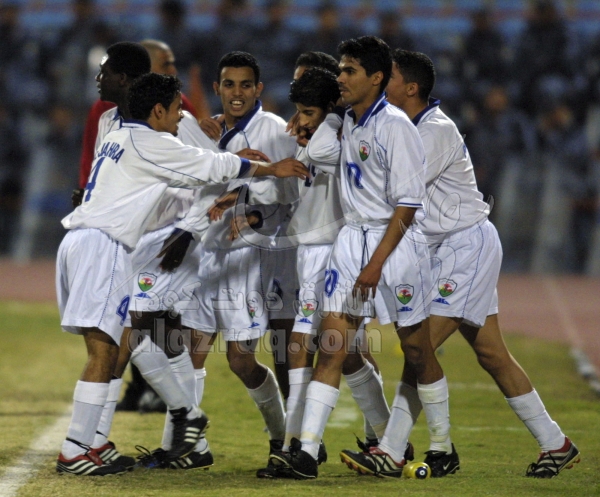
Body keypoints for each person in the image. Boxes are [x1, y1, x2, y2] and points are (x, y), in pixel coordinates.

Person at [56, 68, 307, 476]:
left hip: (86, 241)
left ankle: (107, 439)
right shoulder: (153, 141)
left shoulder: (121, 134)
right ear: (157, 111)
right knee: (107, 349)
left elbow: (198, 169)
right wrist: (267, 168)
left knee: (132, 339)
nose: (181, 116)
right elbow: (207, 165)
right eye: (175, 109)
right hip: (103, 245)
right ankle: (78, 449)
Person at [345, 49, 580, 479]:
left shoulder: (433, 131)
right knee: (491, 353)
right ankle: (556, 443)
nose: (380, 83)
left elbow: (396, 193)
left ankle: (392, 451)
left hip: (464, 247)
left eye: (388, 77)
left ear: (411, 88)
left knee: (419, 347)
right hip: (440, 251)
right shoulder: (397, 126)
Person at [277, 36, 446, 480]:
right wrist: (329, 113)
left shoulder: (396, 126)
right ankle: (306, 453)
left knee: (416, 350)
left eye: (349, 70)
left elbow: (408, 205)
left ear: (376, 78)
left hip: (395, 244)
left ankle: (443, 445)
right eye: (340, 69)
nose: (341, 77)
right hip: (352, 240)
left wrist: (376, 264)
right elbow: (317, 150)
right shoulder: (348, 121)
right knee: (333, 346)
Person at [160, 51, 298, 472]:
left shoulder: (273, 129)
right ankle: (187, 447)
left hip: (246, 259)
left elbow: (290, 193)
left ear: (259, 89)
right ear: (217, 88)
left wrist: (252, 214)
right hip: (206, 254)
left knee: (240, 360)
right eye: (229, 84)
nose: (237, 93)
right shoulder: (212, 130)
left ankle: (282, 438)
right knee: (190, 353)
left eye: (245, 85)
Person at [77, 39, 197, 191]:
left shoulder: (180, 104)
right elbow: (90, 168)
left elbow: (197, 161)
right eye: (165, 65)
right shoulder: (104, 110)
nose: (173, 71)